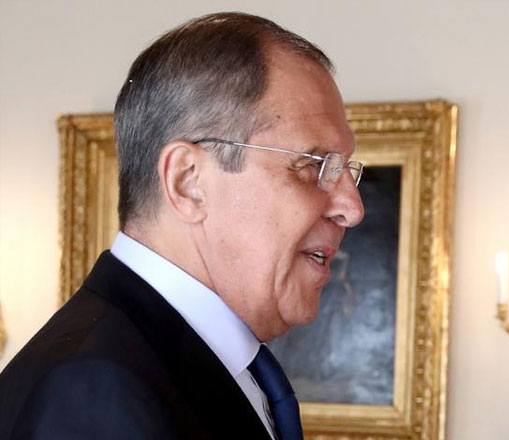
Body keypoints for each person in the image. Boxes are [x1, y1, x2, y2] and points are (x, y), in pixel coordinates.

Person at [0, 12, 363, 440]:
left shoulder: (179, 362)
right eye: (313, 165)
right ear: (187, 182)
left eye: (345, 170)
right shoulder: (92, 393)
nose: (352, 208)